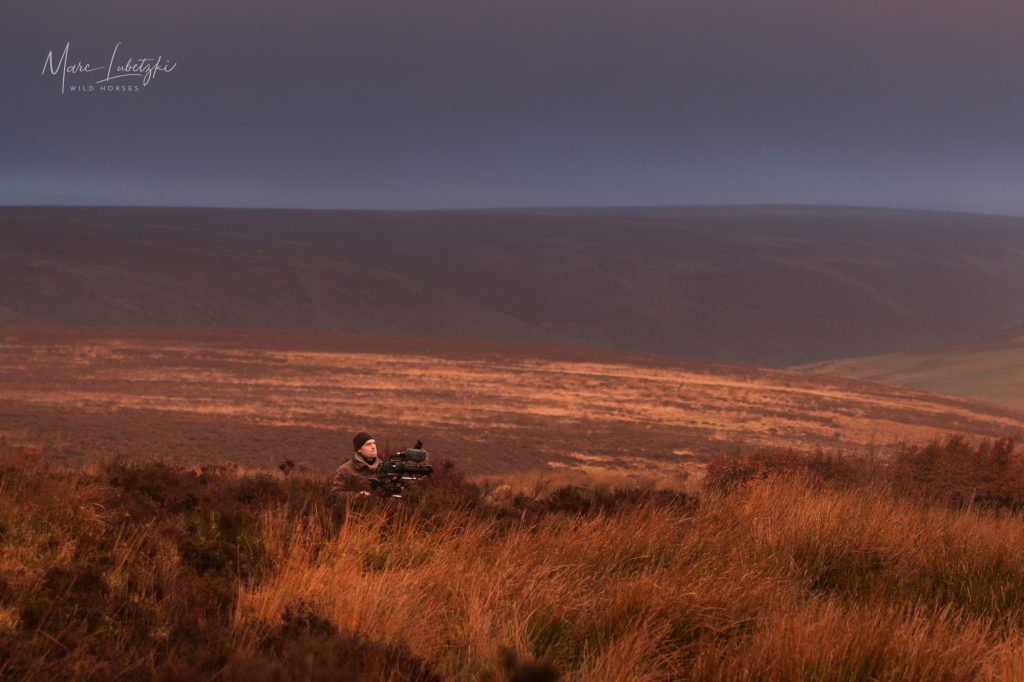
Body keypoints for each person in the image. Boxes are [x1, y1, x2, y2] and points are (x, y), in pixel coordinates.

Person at [331, 430, 381, 501]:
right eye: (368, 444)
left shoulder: (384, 467)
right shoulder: (345, 470)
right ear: (359, 450)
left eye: (374, 443)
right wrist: (357, 496)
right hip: (357, 510)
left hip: (383, 510)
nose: (373, 447)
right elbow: (335, 494)